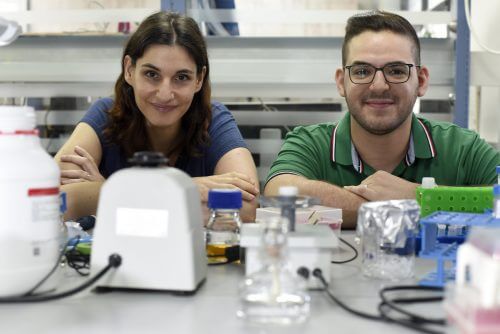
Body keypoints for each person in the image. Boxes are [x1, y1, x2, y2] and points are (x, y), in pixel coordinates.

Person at [264, 10, 500, 228]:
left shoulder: (462, 149)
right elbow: (279, 193)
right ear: (341, 82)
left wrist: (419, 196)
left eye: (396, 71)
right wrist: (401, 207)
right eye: (362, 71)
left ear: (422, 80)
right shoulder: (311, 143)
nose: (379, 86)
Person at [55, 11, 259, 222]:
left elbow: (246, 207)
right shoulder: (105, 115)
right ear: (129, 70)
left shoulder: (214, 121)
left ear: (199, 79)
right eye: (152, 74)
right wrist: (185, 188)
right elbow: (57, 200)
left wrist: (109, 192)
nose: (164, 94)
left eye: (182, 77)